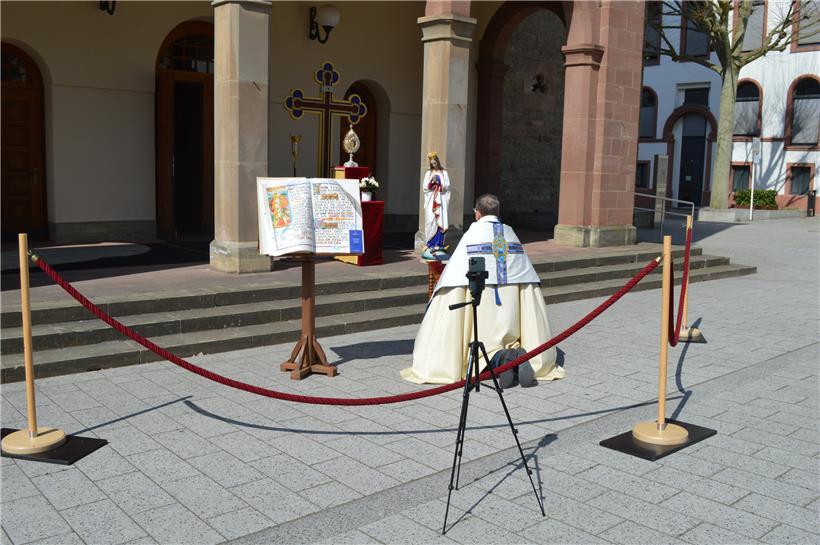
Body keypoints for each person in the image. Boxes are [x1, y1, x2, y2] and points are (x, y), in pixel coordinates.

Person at [401, 194, 564, 385]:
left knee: (480, 345)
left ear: (477, 214)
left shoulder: (473, 233)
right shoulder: (509, 233)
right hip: (510, 304)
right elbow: (526, 278)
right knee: (505, 333)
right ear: (498, 212)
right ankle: (514, 355)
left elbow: (455, 273)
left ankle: (501, 360)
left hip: (479, 301)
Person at [421, 152, 450, 261]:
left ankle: (438, 245)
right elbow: (425, 188)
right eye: (432, 163)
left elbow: (447, 186)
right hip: (431, 202)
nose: (434, 165)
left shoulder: (444, 173)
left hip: (440, 202)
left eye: (435, 162)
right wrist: (431, 183)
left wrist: (438, 181)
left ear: (437, 161)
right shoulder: (428, 173)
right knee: (430, 221)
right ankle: (429, 244)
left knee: (440, 222)